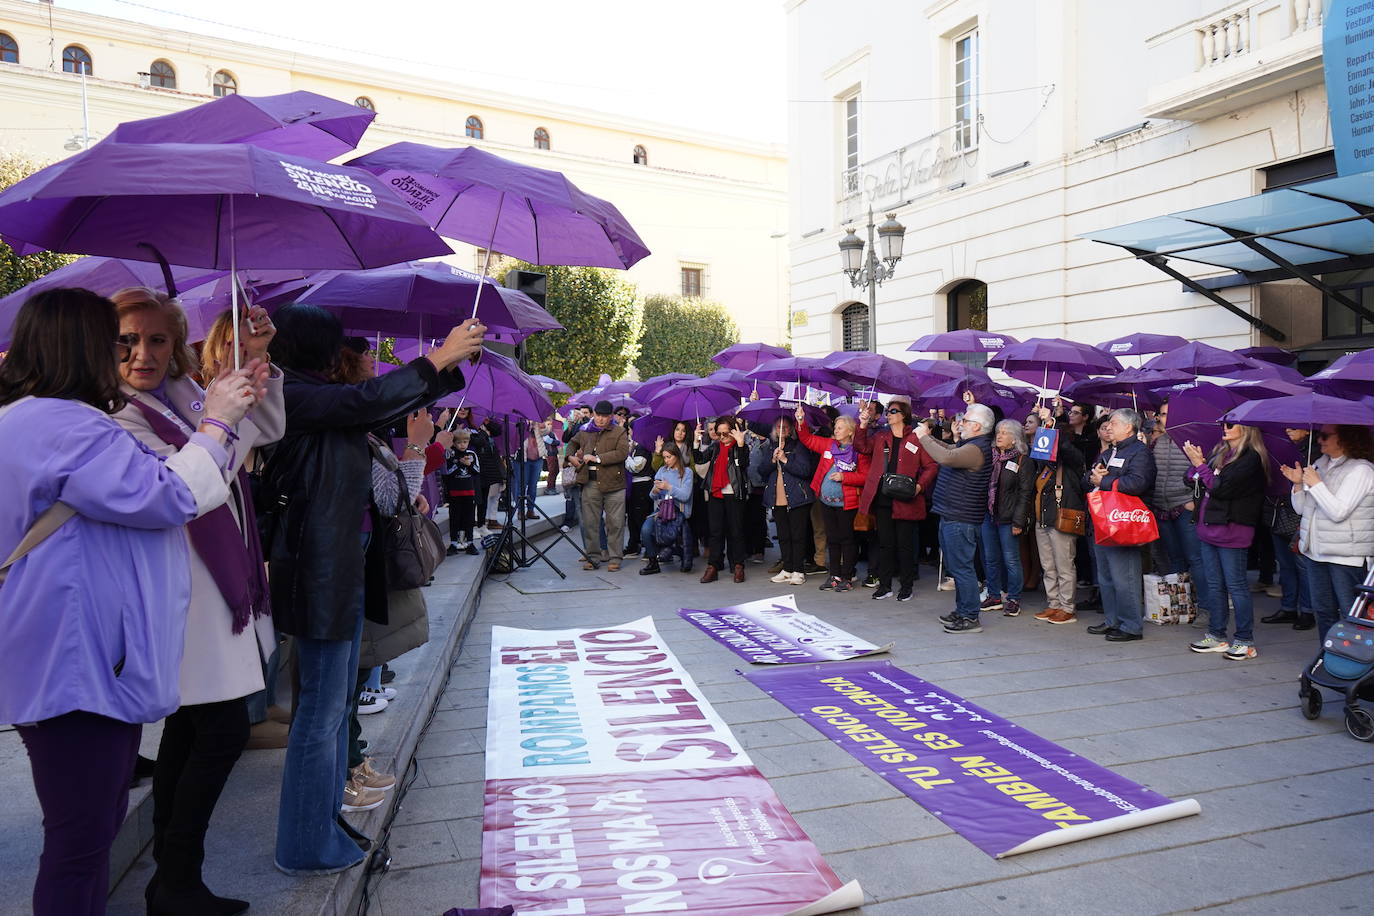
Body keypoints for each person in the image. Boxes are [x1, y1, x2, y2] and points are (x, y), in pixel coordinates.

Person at [1, 288, 261, 916]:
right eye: (116, 341)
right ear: (84, 346)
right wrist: (218, 421)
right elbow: (169, 496)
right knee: (81, 842)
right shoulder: (66, 427)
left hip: (72, 652)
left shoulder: (35, 420)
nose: (128, 353)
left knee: (86, 832)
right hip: (77, 660)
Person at [257, 304, 483, 876]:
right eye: (341, 349)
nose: (350, 360)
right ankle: (306, 843)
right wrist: (437, 358)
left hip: (336, 569)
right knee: (321, 712)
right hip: (319, 572)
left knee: (330, 709)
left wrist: (447, 369)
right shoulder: (296, 398)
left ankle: (323, 821)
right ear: (322, 354)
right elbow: (365, 402)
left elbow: (378, 408)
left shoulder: (309, 398)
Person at [108, 288, 283, 916]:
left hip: (218, 581)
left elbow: (262, 432)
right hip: (180, 588)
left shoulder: (181, 392)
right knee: (218, 728)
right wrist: (218, 423)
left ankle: (174, 879)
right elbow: (186, 488)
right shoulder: (111, 413)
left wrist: (253, 364)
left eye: (158, 339)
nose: (143, 353)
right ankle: (176, 878)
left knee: (196, 726)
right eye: (128, 339)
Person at [1183, 422, 1270, 660]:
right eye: (1223, 423)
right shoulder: (1219, 451)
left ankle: (1244, 640)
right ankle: (1217, 635)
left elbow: (1220, 487)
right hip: (1209, 527)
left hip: (1233, 529)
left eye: (1231, 424)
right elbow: (1190, 478)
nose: (1224, 427)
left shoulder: (1251, 459)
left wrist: (1200, 466)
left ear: (1247, 428)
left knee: (1236, 586)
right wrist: (1198, 466)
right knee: (1214, 585)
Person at [1284, 424, 1374, 639]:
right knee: (1323, 612)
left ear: (1345, 438)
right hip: (1316, 551)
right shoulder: (1319, 464)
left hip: (1346, 555)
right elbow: (1302, 509)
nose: (1319, 440)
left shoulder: (1361, 469)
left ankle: (1352, 668)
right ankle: (1327, 661)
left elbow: (1338, 512)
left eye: (1325, 435)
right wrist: (1298, 486)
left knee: (1350, 613)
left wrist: (1316, 485)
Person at [916, 404, 994, 632]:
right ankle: (963, 611)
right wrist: (929, 438)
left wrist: (923, 437)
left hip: (960, 517)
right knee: (958, 567)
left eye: (966, 420)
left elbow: (947, 457)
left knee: (962, 568)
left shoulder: (976, 449)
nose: (960, 423)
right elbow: (948, 448)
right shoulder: (971, 445)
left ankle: (970, 616)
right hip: (953, 514)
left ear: (977, 426)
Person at [1084, 408, 1157, 642]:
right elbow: (1088, 478)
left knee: (1124, 577)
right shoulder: (1111, 450)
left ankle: (1131, 625)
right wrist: (1093, 476)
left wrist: (1104, 480)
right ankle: (1112, 619)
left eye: (1113, 423)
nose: (1108, 427)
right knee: (1105, 576)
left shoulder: (1140, 452)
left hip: (1124, 523)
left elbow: (1137, 483)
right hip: (1105, 521)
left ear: (1128, 427)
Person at [856, 399, 937, 601]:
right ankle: (884, 586)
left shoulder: (916, 439)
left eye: (894, 411)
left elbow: (932, 466)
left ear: (903, 415)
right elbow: (861, 446)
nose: (889, 414)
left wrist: (919, 486)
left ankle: (906, 586)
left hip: (906, 498)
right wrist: (863, 424)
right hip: (883, 498)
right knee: (885, 544)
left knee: (905, 546)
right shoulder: (880, 436)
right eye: (888, 411)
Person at [797, 407, 869, 591]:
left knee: (847, 539)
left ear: (851, 432)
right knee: (833, 539)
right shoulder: (829, 445)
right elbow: (807, 439)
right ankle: (834, 575)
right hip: (826, 501)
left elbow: (865, 476)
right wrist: (801, 421)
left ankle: (847, 576)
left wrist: (845, 477)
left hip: (847, 503)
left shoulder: (858, 451)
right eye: (835, 427)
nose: (835, 430)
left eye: (839, 428)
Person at [1151, 399, 1210, 617]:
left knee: (1195, 558)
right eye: (1163, 414)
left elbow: (1206, 473)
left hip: (1184, 508)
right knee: (1174, 558)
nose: (1167, 419)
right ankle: (1182, 606)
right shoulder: (1157, 442)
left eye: (1170, 414)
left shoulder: (1193, 441)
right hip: (1162, 507)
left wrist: (1194, 501)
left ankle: (1206, 605)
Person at [1030, 413, 1086, 625]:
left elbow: (1071, 453)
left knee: (1064, 565)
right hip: (1043, 518)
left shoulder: (1072, 462)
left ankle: (1067, 607)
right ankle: (1054, 604)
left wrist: (1053, 430)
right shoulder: (1044, 464)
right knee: (1048, 566)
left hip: (1062, 519)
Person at [753, 415, 817, 586]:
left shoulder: (799, 446)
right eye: (779, 427)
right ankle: (787, 568)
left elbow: (805, 470)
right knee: (783, 535)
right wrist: (773, 460)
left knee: (798, 535)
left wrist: (785, 460)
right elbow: (761, 471)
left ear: (791, 430)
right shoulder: (771, 446)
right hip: (777, 496)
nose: (782, 430)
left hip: (797, 497)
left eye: (786, 427)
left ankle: (798, 570)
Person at [1263, 427, 1316, 631]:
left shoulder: (1314, 452)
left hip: (1301, 513)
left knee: (1302, 566)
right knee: (1285, 565)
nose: (1288, 429)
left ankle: (1307, 611)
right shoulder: (1281, 446)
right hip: (1280, 509)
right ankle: (1288, 607)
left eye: (1294, 426)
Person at [568, 399, 630, 571]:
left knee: (615, 523)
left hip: (614, 484)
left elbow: (622, 453)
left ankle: (615, 558)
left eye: (604, 416)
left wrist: (598, 459)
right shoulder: (585, 430)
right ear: (594, 414)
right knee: (590, 522)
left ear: (611, 416)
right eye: (598, 415)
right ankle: (593, 557)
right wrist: (570, 457)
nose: (600, 419)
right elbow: (572, 443)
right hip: (590, 482)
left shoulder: (619, 431)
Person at [982, 419, 1035, 617]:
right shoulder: (992, 457)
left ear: (1014, 439)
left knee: (1011, 560)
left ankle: (1013, 598)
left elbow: (1025, 493)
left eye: (1004, 433)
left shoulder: (1022, 460)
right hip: (989, 516)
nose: (999, 436)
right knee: (991, 558)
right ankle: (994, 595)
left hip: (1009, 518)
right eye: (998, 432)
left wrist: (1018, 521)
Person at [693, 414, 751, 583]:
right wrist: (697, 440)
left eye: (726, 433)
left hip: (734, 493)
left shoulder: (741, 446)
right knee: (715, 532)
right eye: (719, 433)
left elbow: (743, 465)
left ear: (733, 432)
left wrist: (740, 444)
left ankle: (738, 565)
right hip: (716, 494)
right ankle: (713, 566)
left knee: (736, 531)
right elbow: (699, 459)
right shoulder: (715, 447)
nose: (722, 437)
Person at [638, 445, 695, 575]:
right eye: (664, 457)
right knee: (646, 530)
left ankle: (675, 552)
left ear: (677, 456)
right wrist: (655, 490)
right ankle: (653, 562)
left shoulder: (687, 472)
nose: (666, 460)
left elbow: (686, 496)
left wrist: (669, 487)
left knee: (671, 533)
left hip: (678, 511)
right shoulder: (662, 471)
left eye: (669, 457)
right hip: (662, 510)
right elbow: (652, 496)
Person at [442, 428, 481, 555]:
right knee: (455, 518)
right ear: (454, 443)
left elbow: (477, 471)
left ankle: (469, 543)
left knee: (469, 518)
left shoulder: (472, 454)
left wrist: (469, 465)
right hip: (454, 493)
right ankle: (454, 543)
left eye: (465, 442)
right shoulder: (450, 454)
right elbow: (447, 472)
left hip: (469, 492)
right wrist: (459, 463)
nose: (462, 445)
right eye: (459, 442)